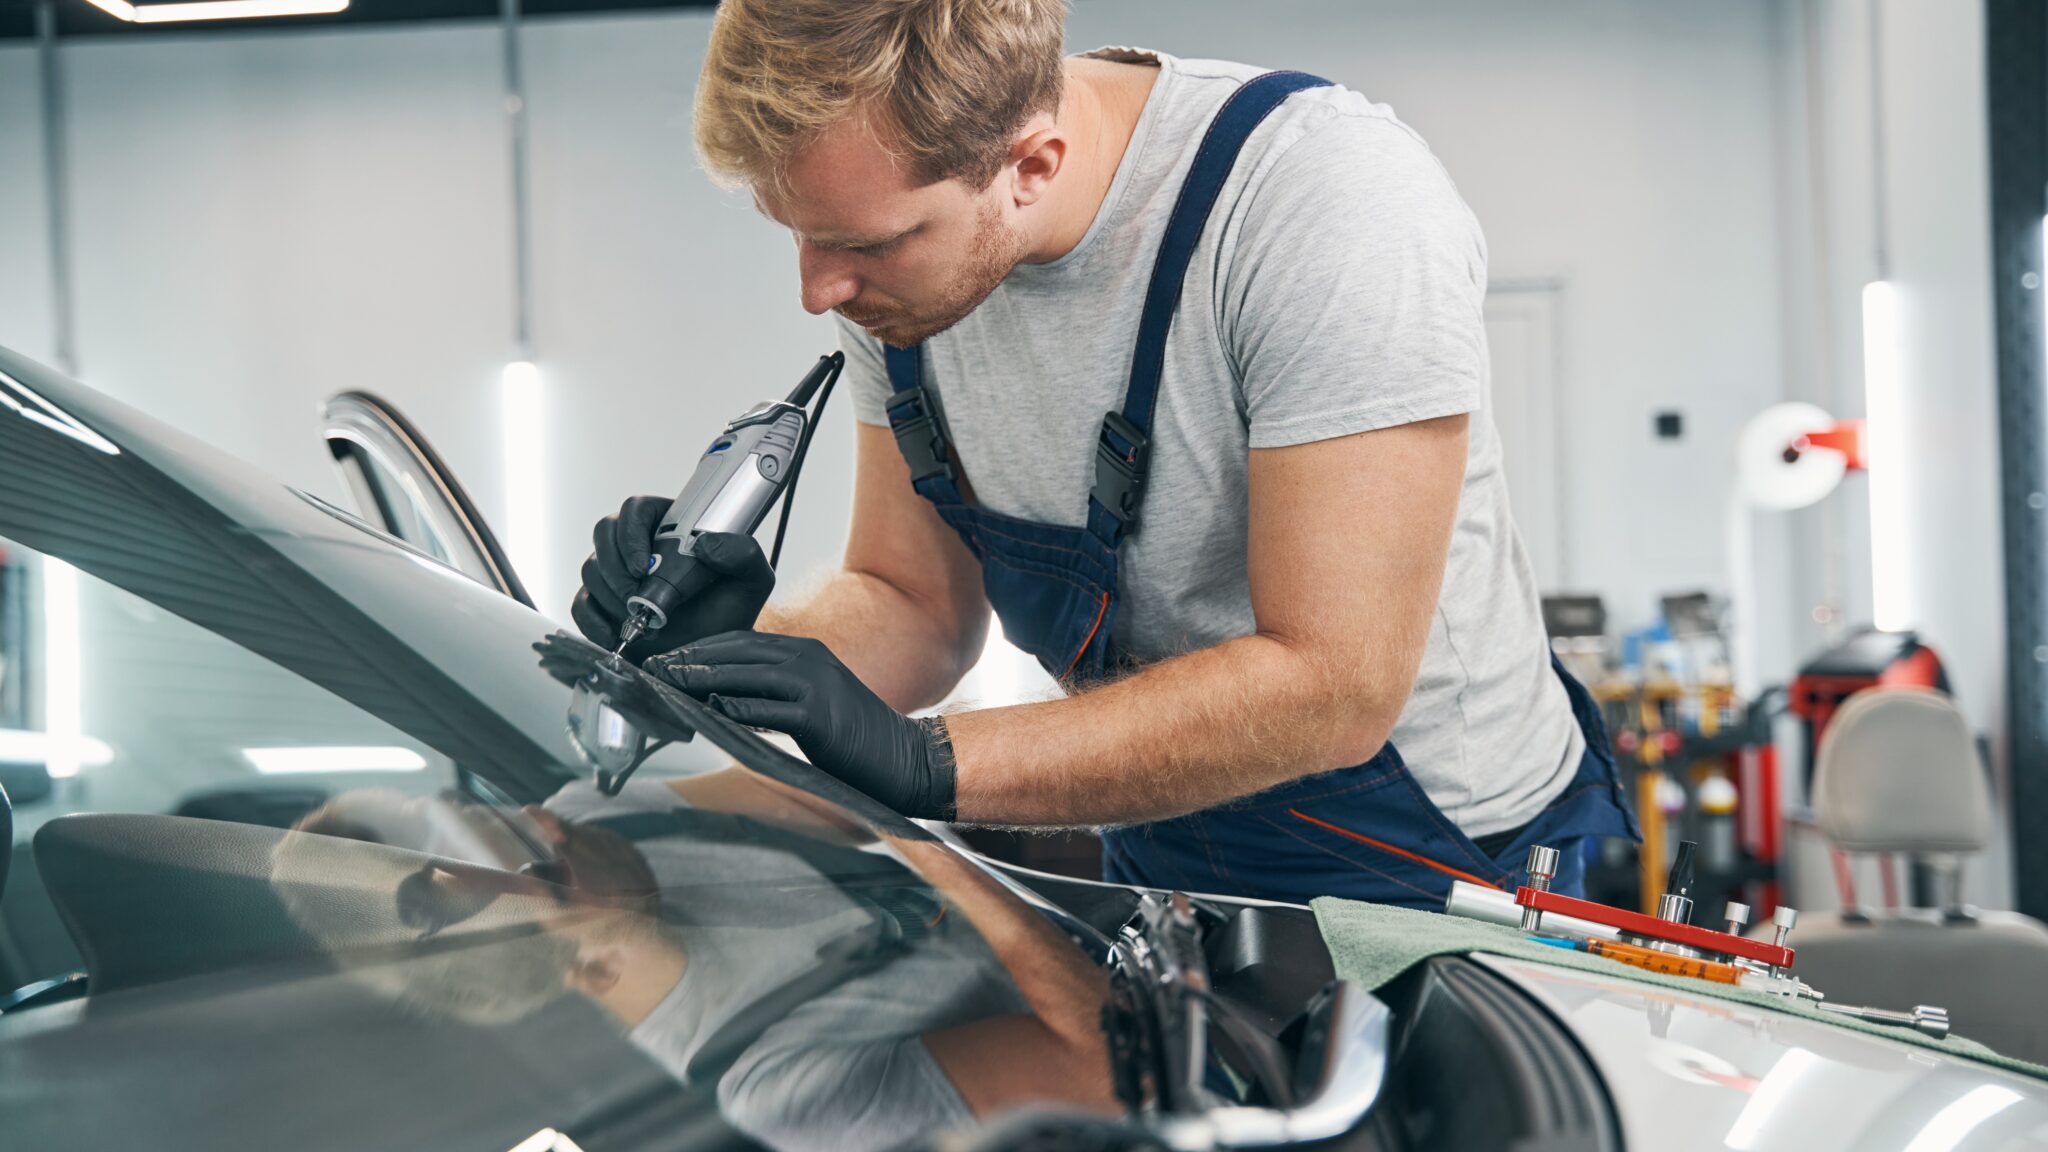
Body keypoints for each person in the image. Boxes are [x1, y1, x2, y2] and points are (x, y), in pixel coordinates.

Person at [574, 0, 1637, 909]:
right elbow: (911, 604)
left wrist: (926, 762)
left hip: (1452, 869)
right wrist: (721, 661)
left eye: (863, 245)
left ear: (1029, 164)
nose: (818, 290)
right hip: (1163, 836)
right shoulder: (899, 259)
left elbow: (1333, 687)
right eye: (796, 235)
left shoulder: (1318, 206)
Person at [275, 777, 1116, 1152]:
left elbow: (816, 789)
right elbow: (1118, 1071)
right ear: (579, 966)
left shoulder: (599, 816)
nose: (549, 815)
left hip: (1136, 914)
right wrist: (924, 847)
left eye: (470, 811)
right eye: (542, 860)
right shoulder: (779, 1089)